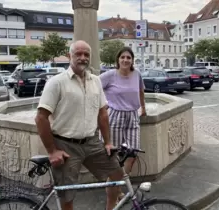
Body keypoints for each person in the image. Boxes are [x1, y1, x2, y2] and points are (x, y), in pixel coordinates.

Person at [35, 40, 124, 210]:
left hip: (91, 142)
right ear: (69, 56)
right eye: (78, 54)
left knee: (118, 174)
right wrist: (52, 151)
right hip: (65, 144)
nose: (83, 58)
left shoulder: (96, 81)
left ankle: (111, 208)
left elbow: (103, 113)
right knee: (67, 195)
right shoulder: (57, 82)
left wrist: (107, 142)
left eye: (86, 55)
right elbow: (41, 118)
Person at [99, 46, 146, 201]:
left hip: (132, 115)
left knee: (132, 152)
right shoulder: (110, 75)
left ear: (132, 60)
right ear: (118, 60)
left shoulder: (136, 74)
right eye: (122, 57)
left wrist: (143, 108)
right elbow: (95, 89)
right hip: (115, 115)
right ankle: (114, 190)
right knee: (115, 156)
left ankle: (115, 184)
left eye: (128, 57)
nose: (125, 60)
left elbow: (140, 91)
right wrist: (102, 105)